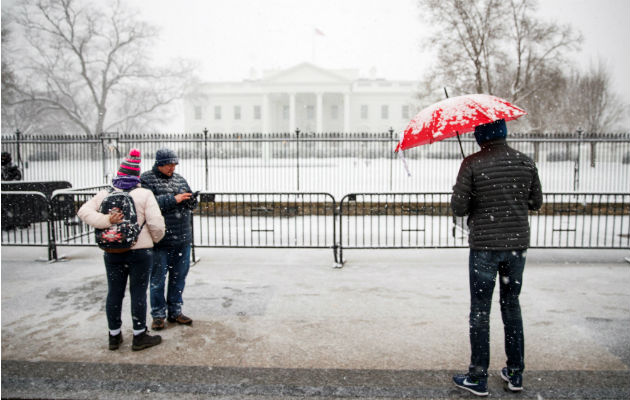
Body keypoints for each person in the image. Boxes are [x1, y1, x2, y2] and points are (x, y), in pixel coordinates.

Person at [450, 119, 543, 396]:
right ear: (503, 133)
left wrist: (470, 192)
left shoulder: (472, 164)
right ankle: (515, 373)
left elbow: (459, 207)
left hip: (484, 247)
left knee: (480, 311)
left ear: (480, 136)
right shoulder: (525, 162)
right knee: (511, 307)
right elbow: (535, 202)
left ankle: (478, 376)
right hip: (516, 247)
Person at [78, 149, 165, 351]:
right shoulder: (144, 194)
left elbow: (83, 211)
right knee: (138, 293)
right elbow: (156, 225)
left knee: (114, 293)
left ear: (118, 174)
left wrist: (106, 220)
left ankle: (114, 336)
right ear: (137, 176)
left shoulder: (105, 193)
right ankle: (139, 335)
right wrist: (153, 240)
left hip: (113, 251)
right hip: (140, 253)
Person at [141, 148, 197, 331]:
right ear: (160, 163)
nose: (172, 168)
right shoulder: (146, 180)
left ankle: (175, 310)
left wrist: (191, 201)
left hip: (182, 238)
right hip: (161, 240)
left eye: (174, 164)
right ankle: (158, 315)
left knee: (178, 277)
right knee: (158, 279)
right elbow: (149, 205)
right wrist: (174, 199)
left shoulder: (179, 179)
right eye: (169, 165)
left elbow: (187, 198)